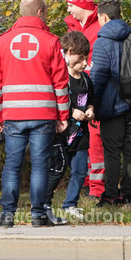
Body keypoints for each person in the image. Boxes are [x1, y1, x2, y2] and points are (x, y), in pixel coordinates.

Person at [0, 0, 70, 228]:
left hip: (13, 115)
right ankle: (38, 215)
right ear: (39, 13)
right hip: (43, 114)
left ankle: (7, 215)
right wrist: (63, 116)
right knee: (39, 164)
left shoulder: (2, 41)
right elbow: (61, 82)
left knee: (12, 164)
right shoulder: (50, 41)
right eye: (45, 12)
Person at [88, 0, 131, 207]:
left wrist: (92, 104)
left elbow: (98, 77)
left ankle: (109, 195)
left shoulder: (102, 42)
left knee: (111, 152)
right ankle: (126, 194)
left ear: (104, 17)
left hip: (111, 107)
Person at [47, 31, 94, 219]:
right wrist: (71, 111)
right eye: (80, 58)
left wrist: (90, 110)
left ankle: (70, 204)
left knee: (80, 170)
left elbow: (91, 100)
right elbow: (53, 101)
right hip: (62, 134)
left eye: (86, 59)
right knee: (57, 169)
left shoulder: (85, 80)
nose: (84, 63)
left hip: (81, 135)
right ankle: (44, 202)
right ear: (67, 52)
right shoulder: (59, 78)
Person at [65, 0, 105, 202]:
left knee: (96, 143)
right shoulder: (71, 28)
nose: (69, 10)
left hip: (93, 92)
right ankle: (83, 184)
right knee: (75, 142)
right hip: (73, 93)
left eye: (71, 5)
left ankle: (97, 188)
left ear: (82, 5)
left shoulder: (100, 26)